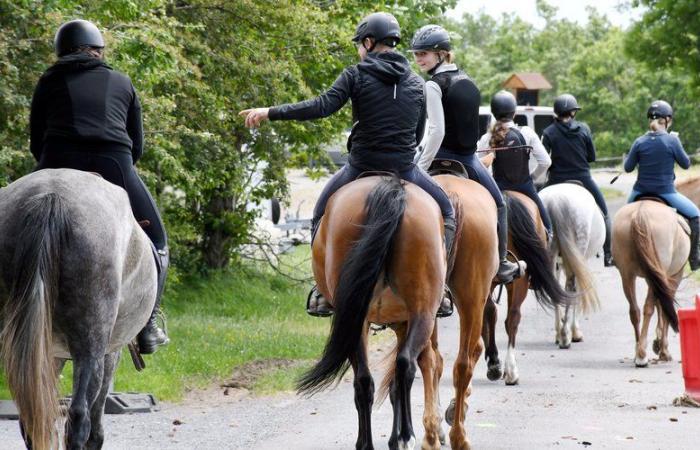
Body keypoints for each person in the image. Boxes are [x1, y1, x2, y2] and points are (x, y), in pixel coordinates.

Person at [239, 13, 456, 317]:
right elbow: (418, 133)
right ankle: (441, 286)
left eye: (359, 44)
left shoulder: (355, 74)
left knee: (320, 213)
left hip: (361, 165)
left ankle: (323, 290)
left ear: (369, 42)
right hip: (405, 168)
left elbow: (321, 106)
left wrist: (270, 112)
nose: (358, 50)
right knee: (446, 211)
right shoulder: (418, 84)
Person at [30, 19, 169, 354]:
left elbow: (35, 140)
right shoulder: (122, 81)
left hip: (55, 160)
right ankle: (148, 325)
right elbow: (137, 146)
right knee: (158, 241)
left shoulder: (48, 81)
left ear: (61, 51)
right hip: (114, 165)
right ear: (98, 49)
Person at [410, 24, 525, 284]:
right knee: (499, 204)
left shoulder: (433, 85)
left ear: (441, 54)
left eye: (424, 54)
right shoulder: (468, 81)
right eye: (416, 54)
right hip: (469, 158)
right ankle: (503, 263)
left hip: (440, 155)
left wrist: (421, 167)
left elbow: (436, 131)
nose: (418, 59)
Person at [624, 100, 700, 269]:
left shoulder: (639, 141)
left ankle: (617, 256)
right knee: (695, 216)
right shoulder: (672, 141)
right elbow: (686, 164)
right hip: (666, 192)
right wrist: (676, 142)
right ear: (667, 120)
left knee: (621, 218)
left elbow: (628, 168)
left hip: (639, 191)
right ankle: (694, 260)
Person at [542, 93, 613, 266]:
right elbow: (592, 157)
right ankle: (608, 255)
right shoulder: (584, 129)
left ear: (556, 112)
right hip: (583, 178)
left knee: (535, 210)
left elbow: (544, 158)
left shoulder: (549, 132)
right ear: (573, 113)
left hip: (556, 179)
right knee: (604, 213)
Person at [477, 90, 553, 237]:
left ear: (493, 112)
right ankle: (549, 234)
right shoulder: (527, 132)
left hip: (498, 188)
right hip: (524, 186)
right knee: (545, 222)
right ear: (514, 112)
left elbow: (480, 166)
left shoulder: (487, 137)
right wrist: (532, 177)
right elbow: (546, 161)